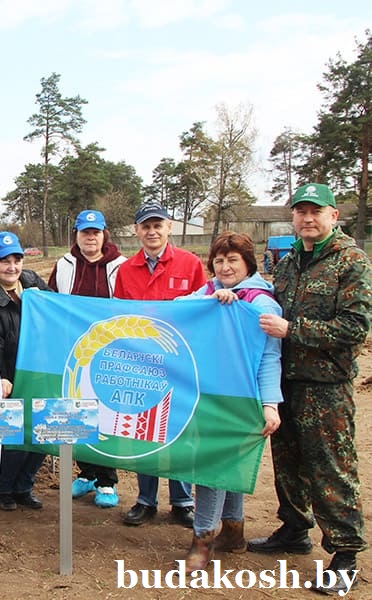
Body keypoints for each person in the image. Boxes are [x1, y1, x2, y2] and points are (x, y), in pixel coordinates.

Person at [248, 183, 371, 596]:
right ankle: (294, 527)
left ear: (334, 215)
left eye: (315, 211)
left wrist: (293, 330)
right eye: (301, 212)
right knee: (287, 462)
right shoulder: (287, 263)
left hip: (326, 386)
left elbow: (355, 327)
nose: (307, 218)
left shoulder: (351, 261)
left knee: (330, 468)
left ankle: (345, 554)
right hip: (286, 380)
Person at [176, 231, 282, 571]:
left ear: (248, 263)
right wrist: (210, 301)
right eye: (219, 261)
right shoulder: (210, 291)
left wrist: (270, 404)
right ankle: (234, 531)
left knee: (212, 463)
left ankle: (203, 539)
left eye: (232, 260)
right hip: (209, 392)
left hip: (241, 398)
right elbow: (176, 308)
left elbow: (270, 356)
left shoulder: (261, 303)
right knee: (227, 463)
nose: (225, 267)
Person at [113, 202, 206, 527]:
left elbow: (202, 311)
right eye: (146, 226)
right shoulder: (126, 270)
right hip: (142, 364)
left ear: (169, 227)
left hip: (180, 364)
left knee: (180, 431)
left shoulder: (190, 264)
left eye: (157, 225)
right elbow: (119, 317)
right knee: (144, 431)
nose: (152, 232)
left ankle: (182, 501)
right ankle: (145, 499)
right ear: (136, 231)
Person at [47, 209, 125, 509]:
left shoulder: (120, 266)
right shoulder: (64, 265)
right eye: (85, 232)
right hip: (73, 353)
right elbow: (51, 301)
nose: (90, 237)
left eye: (95, 232)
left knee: (105, 413)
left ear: (104, 234)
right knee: (76, 410)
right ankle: (87, 473)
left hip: (108, 352)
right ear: (76, 235)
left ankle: (107, 480)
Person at [0, 231, 50, 512]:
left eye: (16, 260)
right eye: (4, 261)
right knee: (13, 435)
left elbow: (56, 311)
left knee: (42, 429)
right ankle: (4, 488)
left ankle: (25, 486)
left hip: (39, 370)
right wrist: (1, 375)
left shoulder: (32, 282)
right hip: (9, 371)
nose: (12, 267)